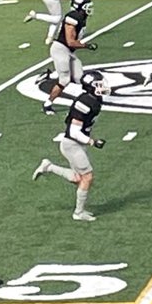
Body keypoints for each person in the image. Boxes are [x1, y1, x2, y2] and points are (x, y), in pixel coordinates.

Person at [34, 69, 108, 221]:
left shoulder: (92, 99)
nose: (102, 86)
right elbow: (74, 132)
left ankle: (48, 167)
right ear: (91, 86)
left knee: (77, 178)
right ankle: (78, 213)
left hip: (76, 143)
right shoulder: (85, 103)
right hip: (72, 144)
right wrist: (92, 141)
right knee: (87, 177)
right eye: (98, 84)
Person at [41, 0, 97, 114]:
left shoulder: (81, 18)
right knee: (64, 80)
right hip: (60, 49)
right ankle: (47, 104)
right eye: (86, 6)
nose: (89, 9)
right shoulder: (73, 18)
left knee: (79, 78)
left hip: (68, 51)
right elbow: (70, 42)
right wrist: (87, 46)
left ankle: (51, 76)